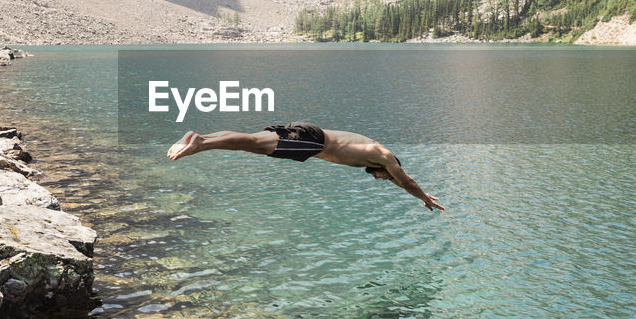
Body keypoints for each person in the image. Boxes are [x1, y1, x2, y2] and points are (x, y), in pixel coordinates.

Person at [168, 121, 444, 211]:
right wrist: (424, 198)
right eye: (385, 178)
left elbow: (399, 181)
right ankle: (201, 144)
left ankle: (200, 139)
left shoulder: (374, 155)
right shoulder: (385, 156)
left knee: (253, 143)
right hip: (313, 144)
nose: (383, 179)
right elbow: (404, 180)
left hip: (310, 134)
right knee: (256, 145)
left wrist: (417, 193)